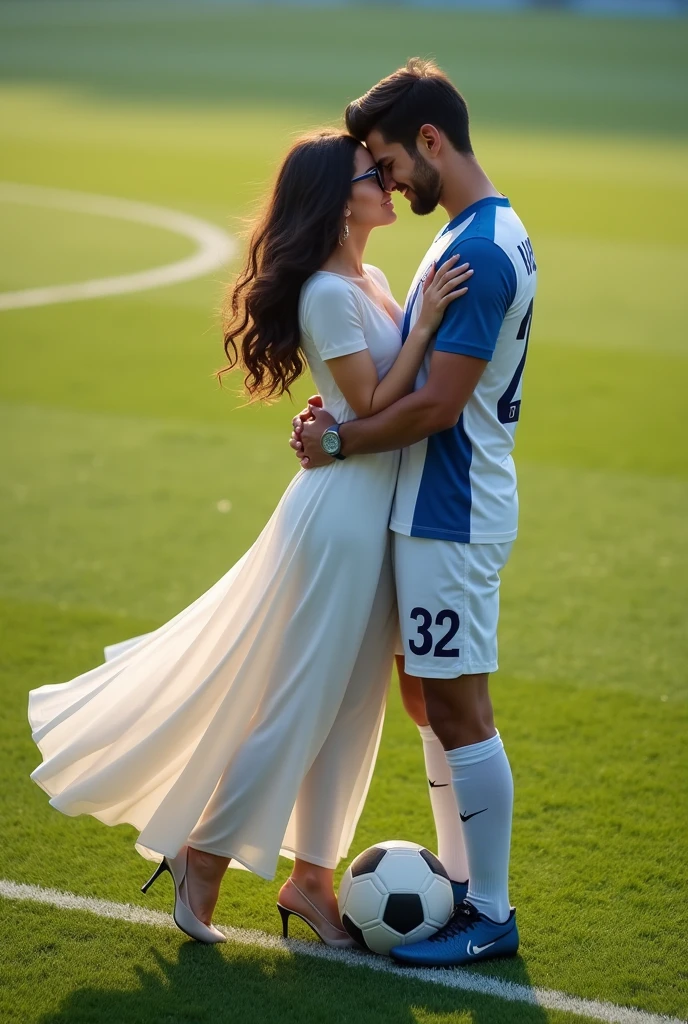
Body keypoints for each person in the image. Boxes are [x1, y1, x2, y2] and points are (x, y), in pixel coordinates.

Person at [27, 130, 471, 947]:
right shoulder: (327, 295)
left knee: (350, 709)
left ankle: (312, 879)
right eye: (374, 172)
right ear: (341, 200)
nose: (389, 179)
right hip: (340, 518)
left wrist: (359, 392)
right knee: (301, 699)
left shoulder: (368, 278)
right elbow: (370, 407)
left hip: (377, 512)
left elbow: (354, 414)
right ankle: (204, 854)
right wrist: (427, 324)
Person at [291, 58, 537, 967]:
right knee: (427, 696)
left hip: (452, 504)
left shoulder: (476, 249)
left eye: (390, 159)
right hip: (431, 503)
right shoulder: (473, 232)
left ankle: (490, 910)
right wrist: (347, 418)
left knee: (461, 707)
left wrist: (341, 442)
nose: (386, 178)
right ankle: (471, 890)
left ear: (430, 140)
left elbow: (436, 407)